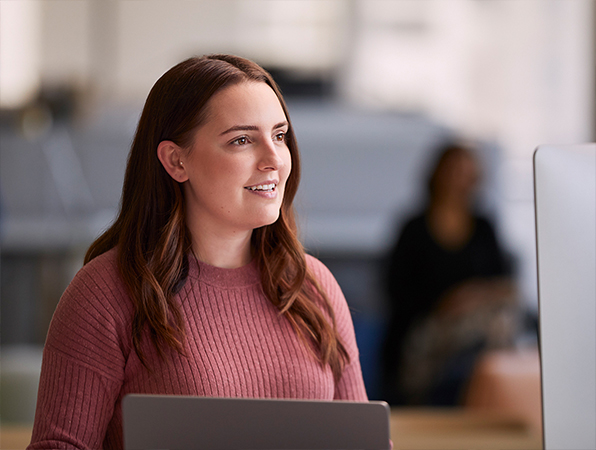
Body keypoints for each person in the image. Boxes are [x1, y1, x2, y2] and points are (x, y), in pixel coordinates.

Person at [28, 54, 367, 449]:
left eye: (279, 135)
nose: (274, 159)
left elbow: (363, 441)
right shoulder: (106, 293)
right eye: (242, 140)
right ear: (176, 161)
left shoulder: (313, 285)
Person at [380, 142, 518, 406]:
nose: (459, 180)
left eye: (466, 173)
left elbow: (505, 283)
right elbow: (396, 289)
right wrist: (445, 305)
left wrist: (470, 297)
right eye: (453, 171)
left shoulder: (484, 228)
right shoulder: (414, 229)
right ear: (437, 174)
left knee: (501, 323)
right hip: (425, 331)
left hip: (479, 327)